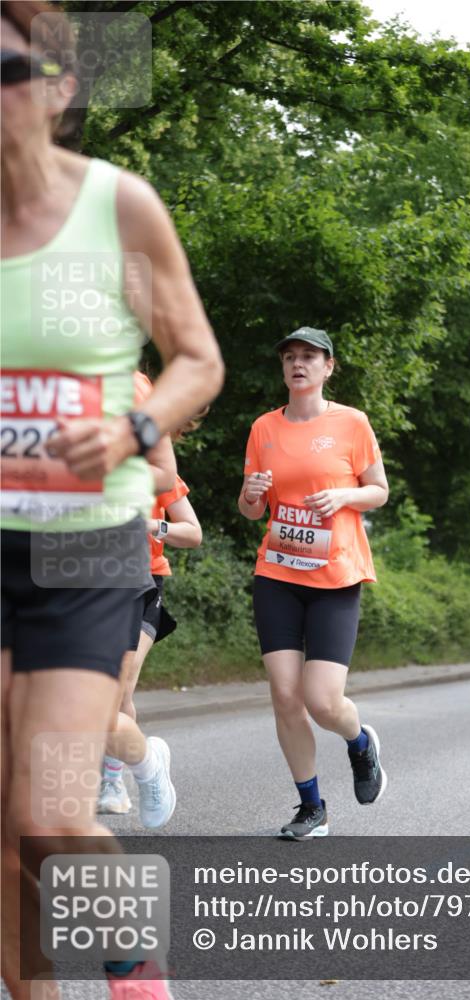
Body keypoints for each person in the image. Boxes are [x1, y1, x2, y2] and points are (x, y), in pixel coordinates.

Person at [0, 4, 224, 997]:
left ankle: (135, 969)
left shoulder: (116, 208)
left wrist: (137, 429)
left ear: (59, 88)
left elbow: (196, 360)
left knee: (49, 814)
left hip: (86, 551)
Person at [239, 327, 389, 840]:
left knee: (323, 701)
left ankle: (359, 743)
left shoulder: (351, 422)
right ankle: (312, 808)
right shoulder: (264, 428)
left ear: (328, 367)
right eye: (290, 357)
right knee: (285, 695)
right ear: (283, 369)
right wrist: (252, 493)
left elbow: (379, 491)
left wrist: (344, 498)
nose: (297, 364)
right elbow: (250, 508)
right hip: (277, 573)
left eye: (309, 356)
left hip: (335, 576)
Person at [99, 372, 204, 819]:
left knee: (117, 689)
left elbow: (193, 534)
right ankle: (134, 768)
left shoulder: (163, 478)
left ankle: (115, 779)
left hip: (143, 579)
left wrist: (151, 526)